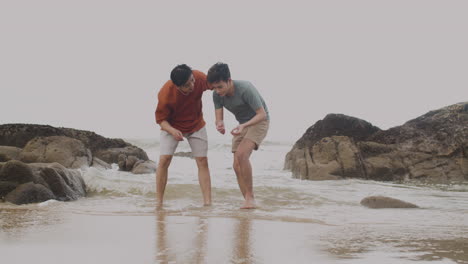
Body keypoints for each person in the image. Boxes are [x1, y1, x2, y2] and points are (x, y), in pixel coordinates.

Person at [207, 62, 270, 209]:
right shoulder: (216, 95)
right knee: (236, 164)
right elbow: (218, 115)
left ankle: (250, 198)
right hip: (242, 125)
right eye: (214, 87)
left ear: (229, 80)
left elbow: (262, 114)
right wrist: (219, 124)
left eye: (220, 86)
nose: (217, 91)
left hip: (259, 122)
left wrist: (244, 125)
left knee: (242, 155)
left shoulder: (245, 89)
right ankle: (247, 200)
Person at [155, 64, 212, 207]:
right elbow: (161, 120)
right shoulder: (166, 93)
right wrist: (172, 131)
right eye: (187, 85)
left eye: (192, 80)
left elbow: (217, 86)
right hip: (172, 126)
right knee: (164, 160)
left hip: (196, 124)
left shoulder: (198, 77)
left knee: (202, 161)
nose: (192, 86)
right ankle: (159, 203)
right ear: (177, 86)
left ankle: (207, 203)